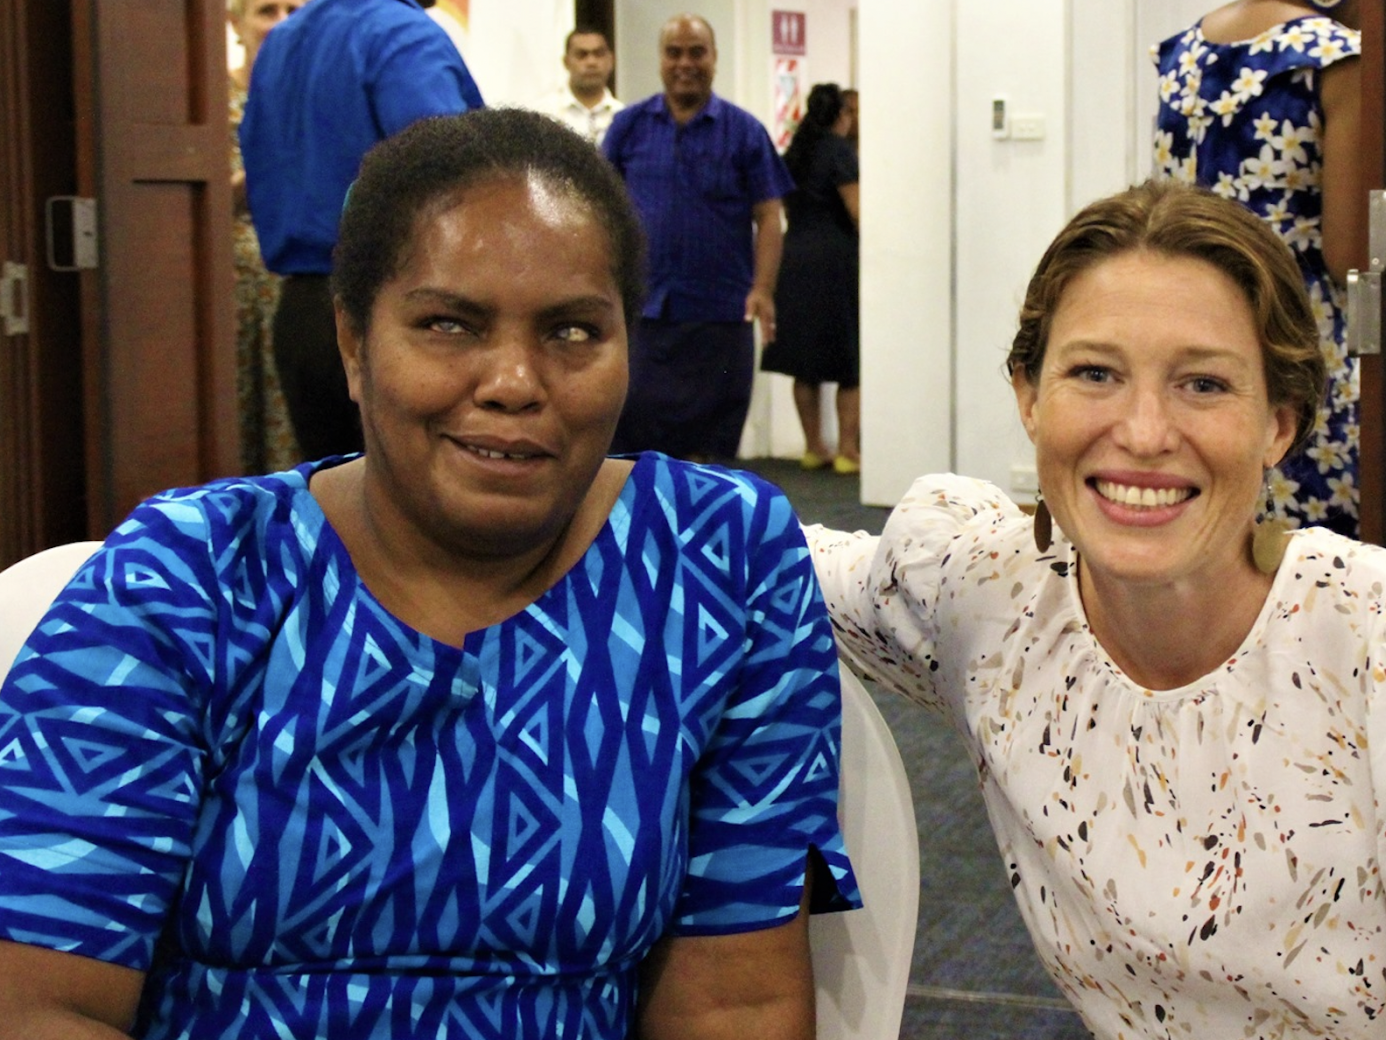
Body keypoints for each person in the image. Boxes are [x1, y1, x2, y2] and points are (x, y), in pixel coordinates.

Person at [0, 108, 858, 1040]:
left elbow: (734, 1001)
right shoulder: (189, 579)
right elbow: (46, 1005)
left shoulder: (717, 564)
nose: (515, 381)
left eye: (573, 332)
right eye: (449, 323)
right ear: (352, 344)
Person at [804, 180, 1386, 1037]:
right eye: (1094, 373)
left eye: (1202, 385)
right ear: (1028, 395)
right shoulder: (985, 598)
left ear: (1278, 423)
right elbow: (765, 560)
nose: (1142, 432)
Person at [1153, 0, 1364, 536]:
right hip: (1292, 340)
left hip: (1180, 329)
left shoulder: (1182, 53)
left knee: (1195, 524)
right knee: (1304, 559)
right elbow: (1350, 253)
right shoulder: (1333, 55)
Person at [240, 0, 483, 461]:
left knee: (336, 506)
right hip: (391, 307)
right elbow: (450, 176)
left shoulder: (283, 43)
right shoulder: (401, 35)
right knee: (423, 513)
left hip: (300, 312)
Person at [601, 13, 792, 463]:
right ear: (661, 60)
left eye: (696, 52)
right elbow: (597, 208)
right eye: (674, 52)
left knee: (712, 451)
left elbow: (769, 215)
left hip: (720, 316)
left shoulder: (745, 132)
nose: (685, 62)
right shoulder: (628, 127)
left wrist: (763, 289)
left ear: (714, 58)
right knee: (633, 447)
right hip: (643, 314)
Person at [760, 84, 860, 475]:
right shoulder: (839, 151)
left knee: (806, 362)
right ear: (841, 115)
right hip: (834, 258)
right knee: (848, 362)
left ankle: (813, 447)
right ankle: (848, 452)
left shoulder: (793, 153)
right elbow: (856, 209)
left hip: (795, 255)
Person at [228, 0, 304, 475]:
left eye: (292, 9)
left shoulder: (309, 98)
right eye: (265, 10)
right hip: (229, 285)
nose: (280, 22)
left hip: (294, 282)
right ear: (235, 23)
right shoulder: (210, 98)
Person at [534, 26, 623, 146]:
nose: (591, 62)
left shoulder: (623, 116)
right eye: (582, 55)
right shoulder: (543, 114)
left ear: (611, 60)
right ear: (566, 62)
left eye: (599, 54)